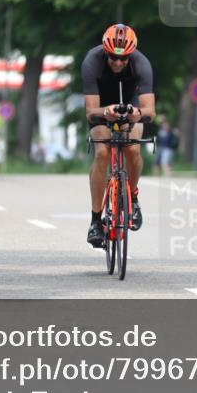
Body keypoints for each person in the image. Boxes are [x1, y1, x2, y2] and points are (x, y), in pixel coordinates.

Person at [81, 24, 155, 249]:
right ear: (106, 51)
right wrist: (106, 112)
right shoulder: (92, 62)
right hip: (102, 108)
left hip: (131, 106)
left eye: (124, 59)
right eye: (113, 57)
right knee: (102, 152)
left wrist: (137, 113)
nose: (118, 62)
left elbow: (150, 112)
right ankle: (95, 221)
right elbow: (90, 111)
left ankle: (132, 198)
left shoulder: (141, 64)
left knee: (133, 148)